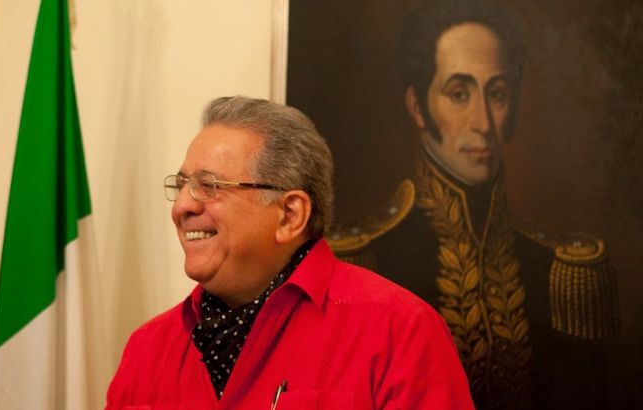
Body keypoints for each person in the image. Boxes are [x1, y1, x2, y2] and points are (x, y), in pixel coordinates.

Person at [327, 1, 619, 409]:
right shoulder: (363, 258)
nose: (483, 122)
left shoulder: (564, 271)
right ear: (418, 107)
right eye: (459, 94)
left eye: (496, 94)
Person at [105, 96, 474, 409]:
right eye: (183, 185)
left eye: (209, 185)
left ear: (290, 215)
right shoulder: (147, 348)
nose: (181, 206)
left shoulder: (401, 333)